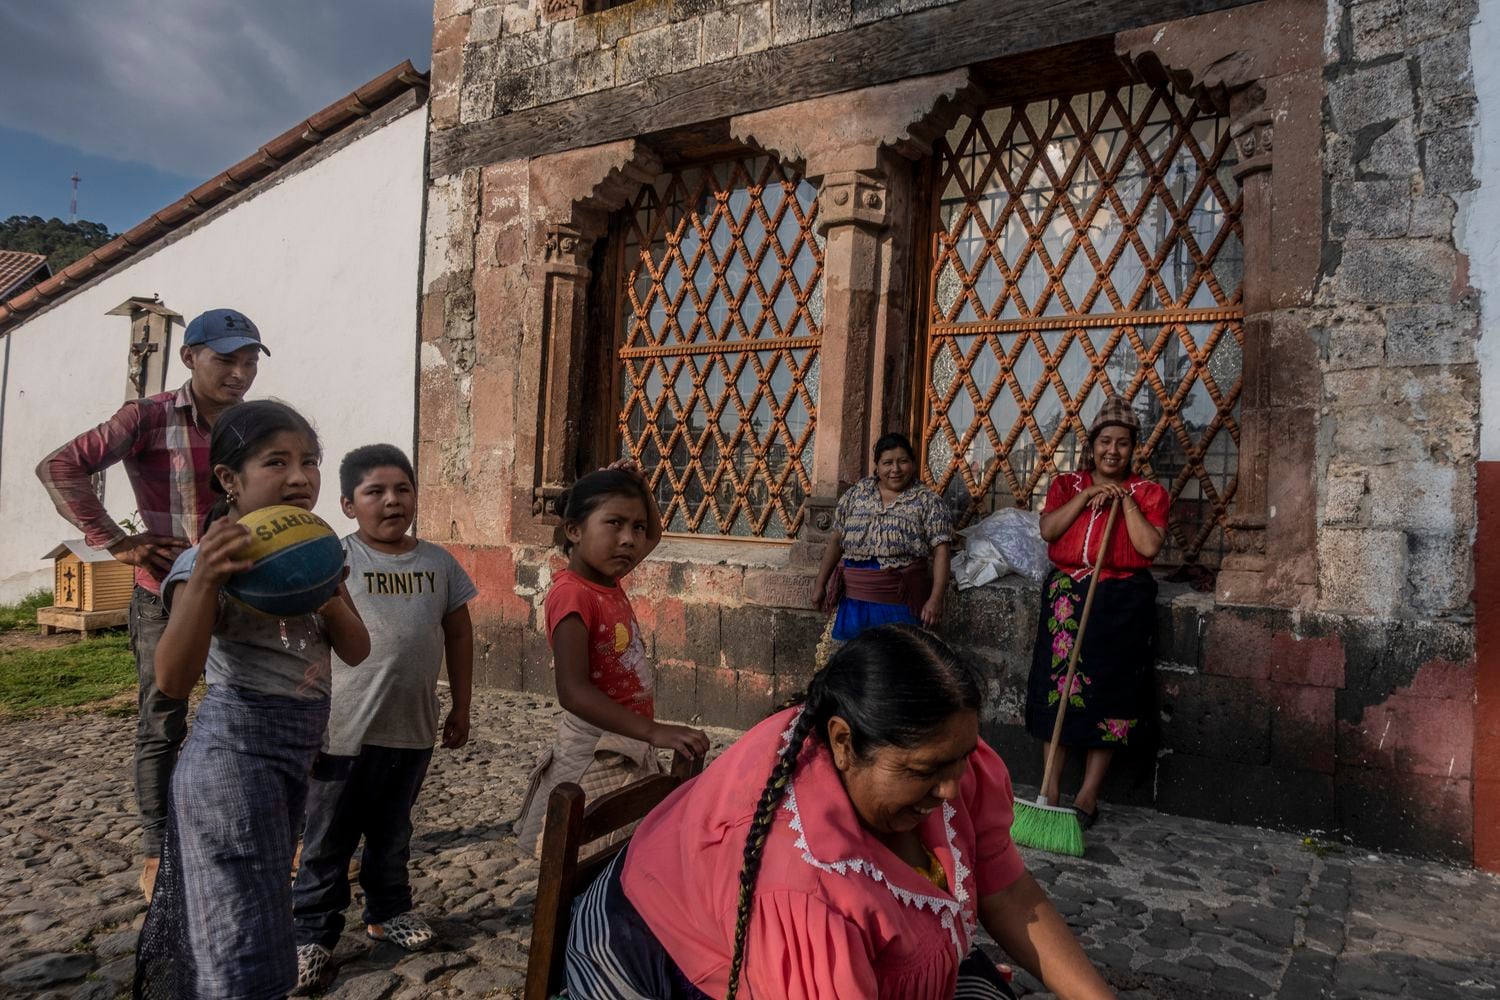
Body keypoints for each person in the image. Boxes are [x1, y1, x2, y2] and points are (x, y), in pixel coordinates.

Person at [564, 624, 1116, 1000]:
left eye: (963, 759)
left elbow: (1007, 890)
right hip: (650, 956)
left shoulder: (939, 753)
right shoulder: (802, 886)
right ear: (843, 743)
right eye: (926, 771)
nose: (953, 789)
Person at [133, 400, 370, 1000]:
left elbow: (358, 649)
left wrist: (329, 592)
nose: (300, 477)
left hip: (291, 760)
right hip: (232, 762)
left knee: (264, 910)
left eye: (310, 462)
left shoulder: (309, 553)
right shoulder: (205, 563)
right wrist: (208, 578)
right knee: (237, 936)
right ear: (229, 480)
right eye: (277, 462)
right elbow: (172, 680)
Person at [36, 307, 268, 900]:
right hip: (165, 595)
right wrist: (116, 541)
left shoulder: (257, 424)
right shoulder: (148, 416)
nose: (239, 374)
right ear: (190, 357)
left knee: (255, 711)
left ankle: (260, 831)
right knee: (163, 719)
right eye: (226, 360)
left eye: (249, 362)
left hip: (247, 593)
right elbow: (61, 466)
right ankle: (157, 848)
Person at [290, 444, 477, 993]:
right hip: (342, 732)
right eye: (375, 492)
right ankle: (311, 934)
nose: (392, 501)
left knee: (392, 831)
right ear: (349, 504)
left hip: (412, 728)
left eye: (403, 489)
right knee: (327, 838)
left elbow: (459, 633)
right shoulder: (336, 560)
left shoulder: (439, 563)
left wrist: (462, 705)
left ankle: (388, 910)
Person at [515, 464, 709, 855]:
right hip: (594, 750)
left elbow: (654, 534)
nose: (629, 539)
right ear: (574, 530)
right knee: (584, 855)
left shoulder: (606, 579)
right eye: (615, 523)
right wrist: (655, 731)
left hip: (626, 740)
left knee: (622, 851)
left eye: (635, 527)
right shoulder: (573, 594)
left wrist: (641, 484)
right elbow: (572, 691)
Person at [1024, 397, 1167, 829]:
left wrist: (1125, 503)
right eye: (1106, 441)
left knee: (1110, 692)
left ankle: (1088, 795)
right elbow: (1049, 531)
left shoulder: (1149, 493)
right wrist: (1087, 496)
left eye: (1123, 444)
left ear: (1133, 449)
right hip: (1067, 595)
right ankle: (1049, 788)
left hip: (1122, 600)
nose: (1113, 451)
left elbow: (1148, 547)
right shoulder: (1067, 485)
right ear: (1092, 444)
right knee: (1058, 688)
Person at [813, 432, 953, 639]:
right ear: (877, 467)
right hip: (854, 605)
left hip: (900, 606)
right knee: (855, 663)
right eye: (887, 463)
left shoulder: (928, 501)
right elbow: (836, 541)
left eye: (903, 461)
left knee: (894, 663)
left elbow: (941, 550)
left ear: (913, 464)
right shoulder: (857, 494)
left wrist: (936, 598)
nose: (895, 469)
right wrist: (820, 584)